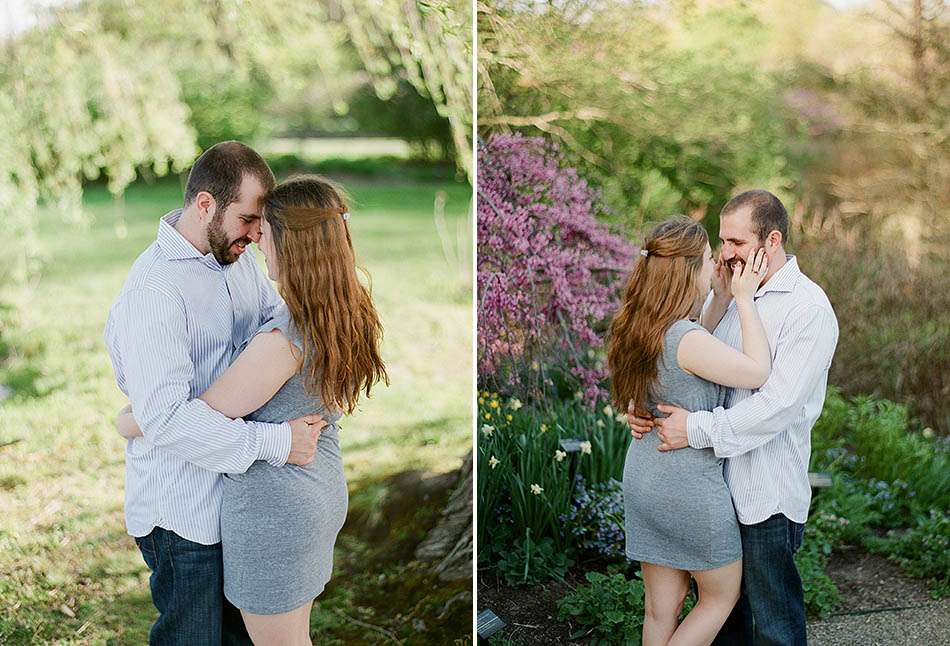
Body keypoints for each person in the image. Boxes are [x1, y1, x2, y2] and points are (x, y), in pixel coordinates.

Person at [116, 174, 388, 645]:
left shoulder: (282, 342)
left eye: (267, 230)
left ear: (295, 246)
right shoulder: (340, 311)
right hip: (318, 491)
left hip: (275, 513)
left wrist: (130, 420)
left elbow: (201, 411)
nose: (257, 237)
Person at [104, 142, 326, 645]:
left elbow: (275, 334)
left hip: (237, 503)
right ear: (205, 204)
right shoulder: (154, 292)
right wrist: (276, 443)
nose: (257, 233)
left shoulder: (239, 260)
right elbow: (168, 421)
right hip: (185, 515)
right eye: (248, 218)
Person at [627, 190, 839, 646]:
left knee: (774, 629)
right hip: (714, 492)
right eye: (722, 241)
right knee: (727, 630)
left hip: (764, 494)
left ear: (773, 240)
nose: (725, 253)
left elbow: (776, 405)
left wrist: (694, 429)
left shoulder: (808, 309)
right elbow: (688, 364)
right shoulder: (727, 292)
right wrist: (642, 410)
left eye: (736, 243)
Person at [608, 217, 772, 646]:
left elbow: (688, 349)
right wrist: (744, 299)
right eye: (705, 261)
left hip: (644, 476)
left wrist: (718, 298)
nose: (713, 265)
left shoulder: (638, 327)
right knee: (719, 597)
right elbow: (756, 371)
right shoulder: (684, 338)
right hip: (686, 487)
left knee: (661, 610)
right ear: (686, 271)